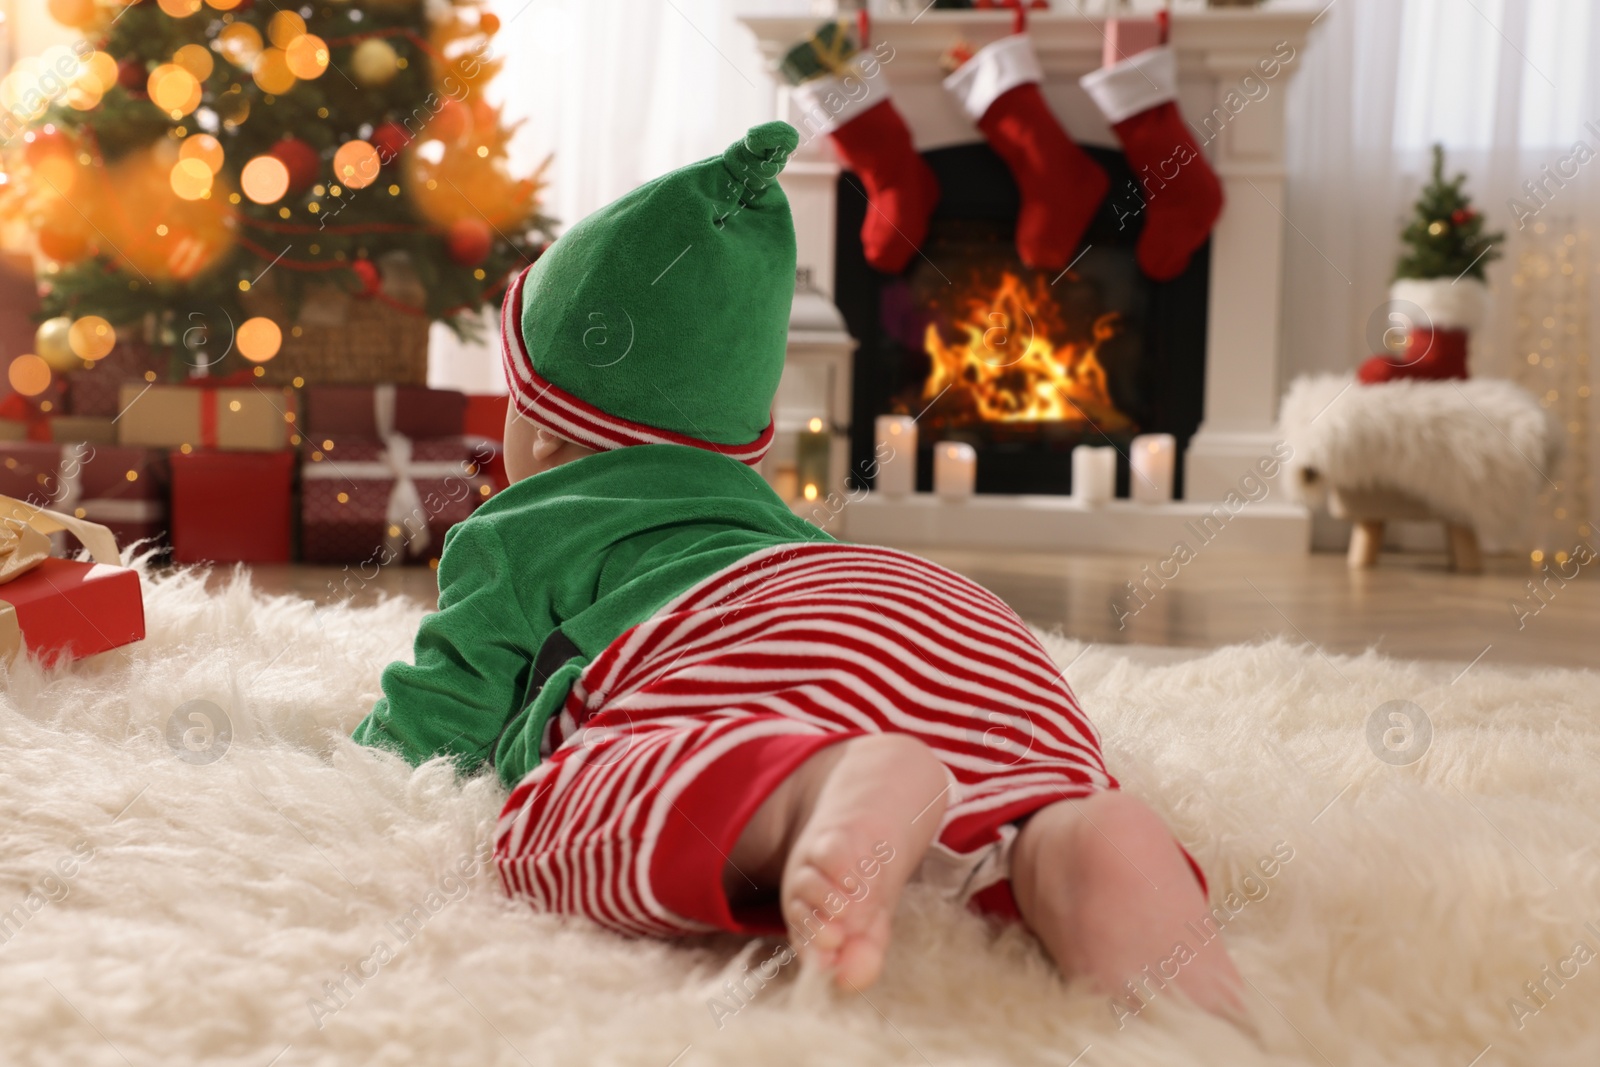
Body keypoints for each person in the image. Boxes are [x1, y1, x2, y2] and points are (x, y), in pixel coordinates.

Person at [354, 122, 1242, 1016]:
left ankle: (807, 787)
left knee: (551, 813)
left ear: (541, 427)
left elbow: (437, 718)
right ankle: (1068, 835)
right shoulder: (769, 518)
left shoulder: (523, 523)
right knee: (1009, 795)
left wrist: (368, 752)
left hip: (752, 628)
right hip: (963, 630)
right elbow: (840, 651)